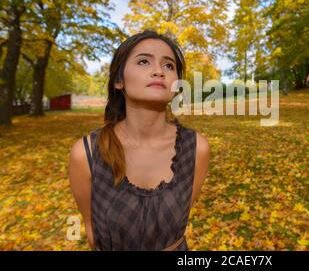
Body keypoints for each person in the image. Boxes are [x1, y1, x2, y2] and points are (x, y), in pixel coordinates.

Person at [68, 30, 210, 250]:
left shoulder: (197, 148)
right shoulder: (86, 154)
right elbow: (92, 232)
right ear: (118, 81)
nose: (158, 71)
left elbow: (176, 224)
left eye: (168, 66)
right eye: (143, 61)